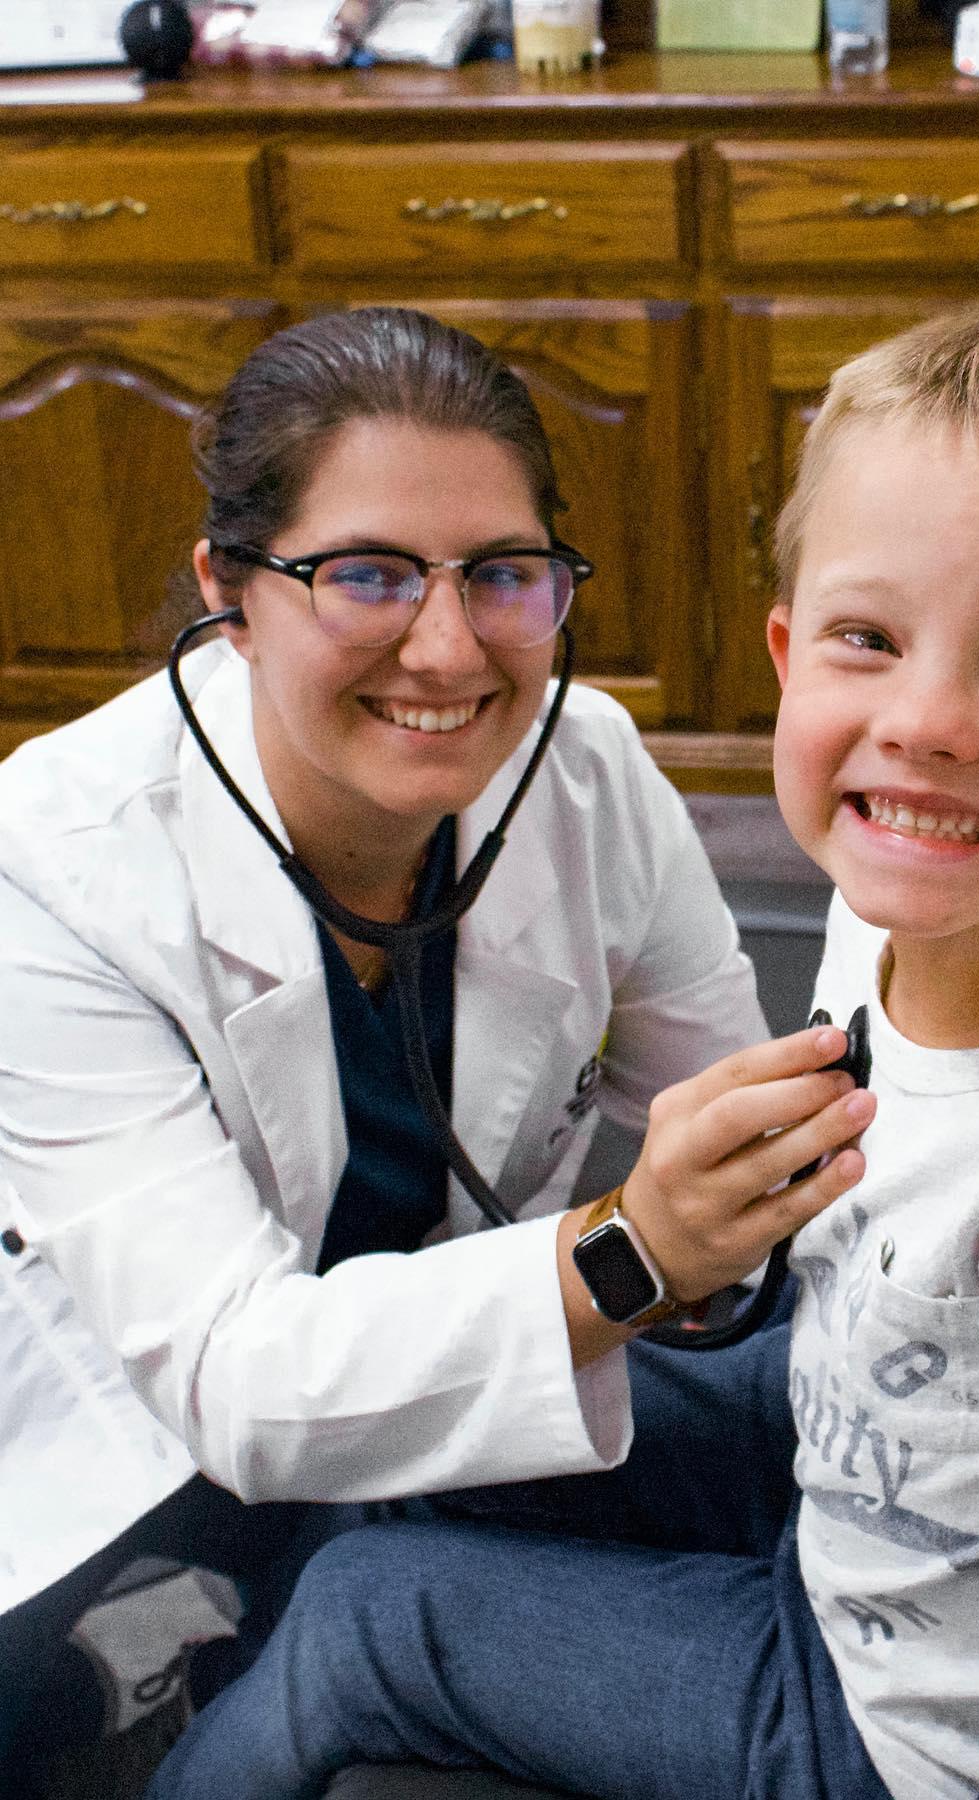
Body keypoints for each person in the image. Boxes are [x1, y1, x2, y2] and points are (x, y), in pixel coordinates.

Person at [146, 296, 979, 1800]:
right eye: (868, 639)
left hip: (916, 1731)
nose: (924, 723)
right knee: (411, 1456)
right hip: (875, 1477)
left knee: (365, 1616)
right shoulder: (902, 896)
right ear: (791, 655)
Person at [0, 306, 876, 1793]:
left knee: (366, 1593)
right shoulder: (59, 861)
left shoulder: (587, 774)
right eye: (367, 575)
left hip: (423, 1379)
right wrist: (636, 1251)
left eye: (504, 575)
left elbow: (745, 1128)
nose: (450, 647)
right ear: (230, 591)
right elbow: (236, 1378)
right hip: (133, 1410)